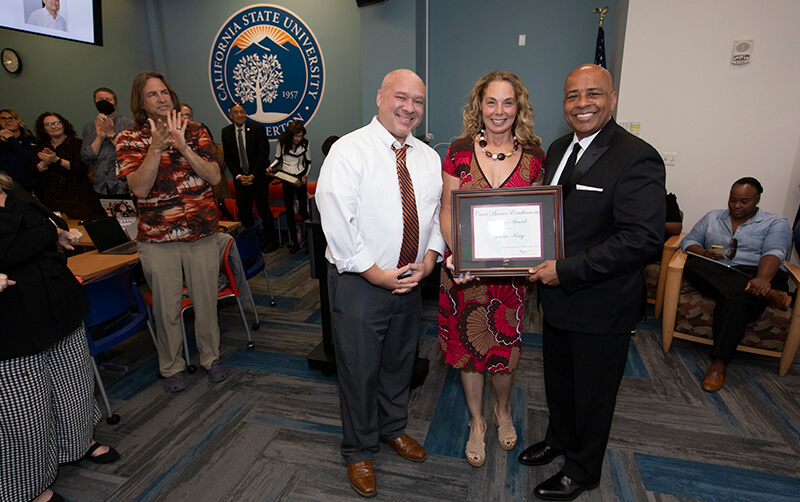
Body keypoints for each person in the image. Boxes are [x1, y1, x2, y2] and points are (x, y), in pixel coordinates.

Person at [520, 64, 665, 500]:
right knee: (560, 381)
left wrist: (564, 270)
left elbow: (642, 240)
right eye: (572, 96)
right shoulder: (559, 147)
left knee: (595, 394)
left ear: (613, 98)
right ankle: (560, 439)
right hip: (558, 298)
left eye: (593, 94)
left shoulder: (636, 155)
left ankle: (584, 470)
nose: (582, 104)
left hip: (603, 303)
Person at [316, 69, 445, 498]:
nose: (409, 108)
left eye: (419, 102)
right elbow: (337, 219)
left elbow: (434, 220)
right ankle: (358, 449)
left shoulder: (429, 158)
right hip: (360, 284)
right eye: (401, 97)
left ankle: (393, 429)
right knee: (358, 371)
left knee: (399, 364)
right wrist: (374, 272)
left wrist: (429, 262)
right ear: (379, 97)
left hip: (410, 280)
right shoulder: (349, 150)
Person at [438, 71, 544, 467]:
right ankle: (477, 421)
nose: (499, 111)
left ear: (519, 108)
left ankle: (502, 410)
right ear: (478, 106)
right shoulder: (459, 151)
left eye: (508, 102)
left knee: (504, 354)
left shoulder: (535, 156)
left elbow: (536, 218)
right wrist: (456, 256)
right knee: (468, 351)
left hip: (510, 282)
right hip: (463, 275)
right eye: (491, 102)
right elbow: (448, 208)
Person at [0, 171, 120, 502]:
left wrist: (57, 236)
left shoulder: (10, 185)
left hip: (57, 300)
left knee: (75, 383)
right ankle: (26, 487)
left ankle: (78, 444)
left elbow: (46, 221)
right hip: (12, 321)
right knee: (24, 410)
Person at [116, 71, 229, 393]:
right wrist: (155, 149)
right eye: (152, 94)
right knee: (166, 309)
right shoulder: (129, 139)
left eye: (164, 92)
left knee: (206, 303)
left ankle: (211, 357)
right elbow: (138, 188)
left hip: (202, 234)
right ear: (141, 102)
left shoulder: (196, 131)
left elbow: (214, 177)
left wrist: (183, 147)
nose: (161, 98)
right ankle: (172, 366)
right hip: (158, 239)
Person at [681, 177, 792, 392]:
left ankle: (718, 364)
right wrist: (704, 253)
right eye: (733, 200)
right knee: (693, 265)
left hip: (758, 271)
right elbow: (688, 242)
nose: (737, 206)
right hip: (717, 270)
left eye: (744, 201)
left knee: (735, 300)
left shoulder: (775, 222)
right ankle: (767, 295)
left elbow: (774, 251)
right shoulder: (713, 217)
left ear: (757, 199)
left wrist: (763, 279)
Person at [221, 102, 278, 252]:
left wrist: (253, 175)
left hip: (258, 178)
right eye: (236, 112)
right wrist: (239, 176)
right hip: (241, 180)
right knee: (245, 213)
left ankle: (271, 240)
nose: (239, 115)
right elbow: (229, 157)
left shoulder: (257, 129)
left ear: (246, 113)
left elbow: (263, 154)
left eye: (242, 112)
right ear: (230, 115)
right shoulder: (226, 132)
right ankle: (252, 241)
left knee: (263, 209)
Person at [32, 112, 104, 217]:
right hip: (52, 197)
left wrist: (57, 159)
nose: (53, 126)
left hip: (78, 194)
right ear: (43, 129)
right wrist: (45, 163)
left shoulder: (77, 143)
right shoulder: (41, 146)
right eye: (48, 124)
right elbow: (34, 170)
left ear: (63, 125)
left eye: (56, 123)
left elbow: (81, 167)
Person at [81, 87, 135, 197]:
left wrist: (111, 134)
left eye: (108, 99)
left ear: (116, 103)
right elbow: (86, 157)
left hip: (124, 186)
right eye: (100, 99)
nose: (104, 102)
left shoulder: (130, 125)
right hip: (100, 186)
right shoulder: (89, 128)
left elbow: (132, 152)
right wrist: (99, 138)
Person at [273, 120, 311, 253]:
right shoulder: (282, 142)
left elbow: (309, 162)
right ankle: (294, 242)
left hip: (300, 177)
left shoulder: (305, 143)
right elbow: (278, 159)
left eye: (300, 136)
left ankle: (308, 241)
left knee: (303, 210)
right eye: (296, 136)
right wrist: (271, 168)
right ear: (290, 135)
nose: (298, 139)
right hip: (286, 177)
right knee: (289, 210)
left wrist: (306, 175)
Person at [0, 108, 42, 199]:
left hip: (27, 187)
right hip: (4, 187)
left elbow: (28, 159)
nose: (7, 121)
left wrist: (11, 139)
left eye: (11, 118)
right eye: (3, 118)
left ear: (18, 121)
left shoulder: (29, 139)